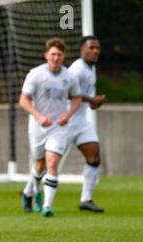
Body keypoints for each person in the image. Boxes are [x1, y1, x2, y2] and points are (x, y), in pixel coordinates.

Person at [19, 37, 82, 218]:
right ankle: (33, 191)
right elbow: (23, 100)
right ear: (47, 55)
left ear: (63, 56)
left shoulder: (69, 77)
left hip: (59, 127)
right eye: (53, 54)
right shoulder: (36, 74)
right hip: (38, 127)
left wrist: (67, 115)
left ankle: (47, 206)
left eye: (59, 55)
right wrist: (39, 116)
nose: (56, 58)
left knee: (52, 163)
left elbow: (77, 97)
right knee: (39, 164)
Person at [65, 36, 106, 212]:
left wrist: (92, 102)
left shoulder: (91, 68)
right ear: (82, 49)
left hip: (81, 122)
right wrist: (92, 99)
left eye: (97, 48)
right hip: (65, 120)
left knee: (94, 158)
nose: (95, 51)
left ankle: (86, 199)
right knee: (46, 163)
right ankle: (28, 191)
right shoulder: (77, 69)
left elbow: (82, 95)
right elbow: (67, 93)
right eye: (91, 48)